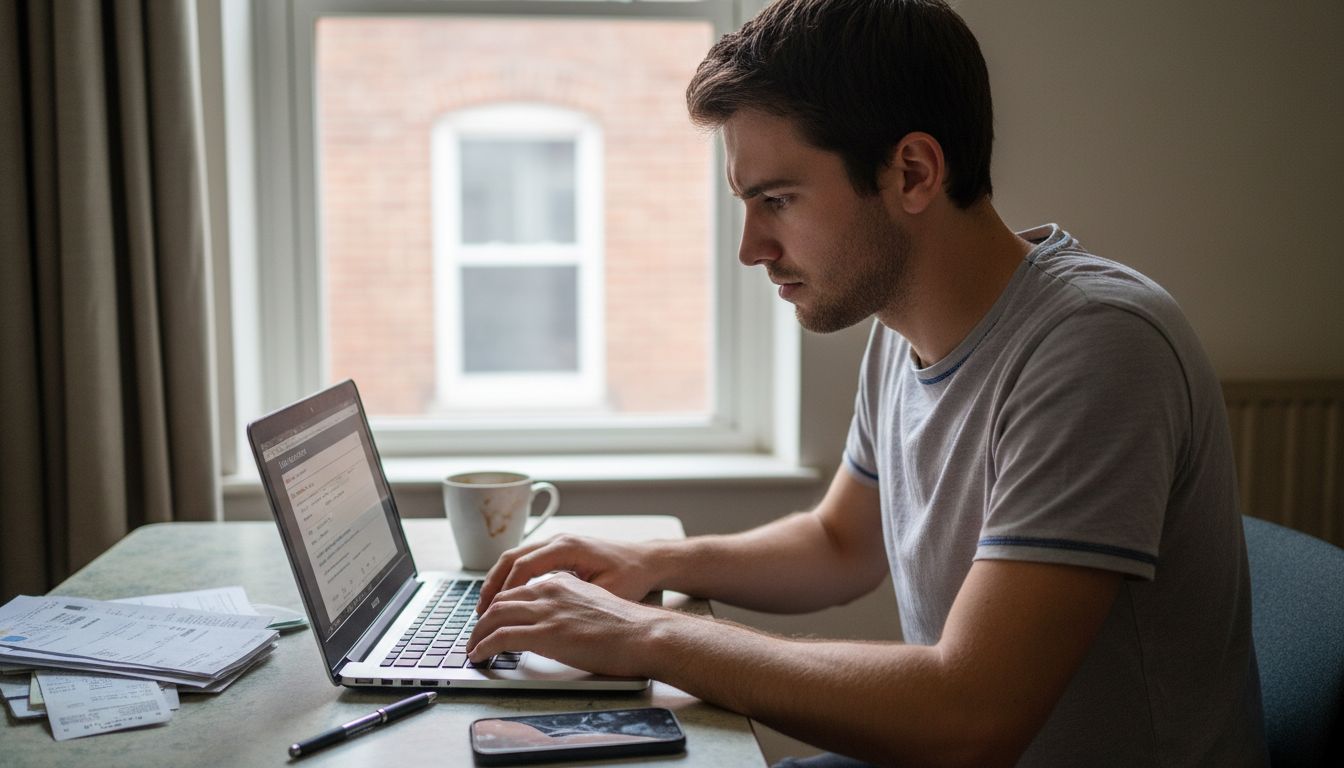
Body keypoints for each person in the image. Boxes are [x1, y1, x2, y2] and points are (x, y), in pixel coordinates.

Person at [466, 0, 1267, 764]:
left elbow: (968, 719)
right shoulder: (900, 328)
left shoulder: (1095, 346)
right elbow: (841, 545)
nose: (752, 248)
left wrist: (643, 635)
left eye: (776, 199)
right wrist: (652, 560)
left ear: (912, 171)